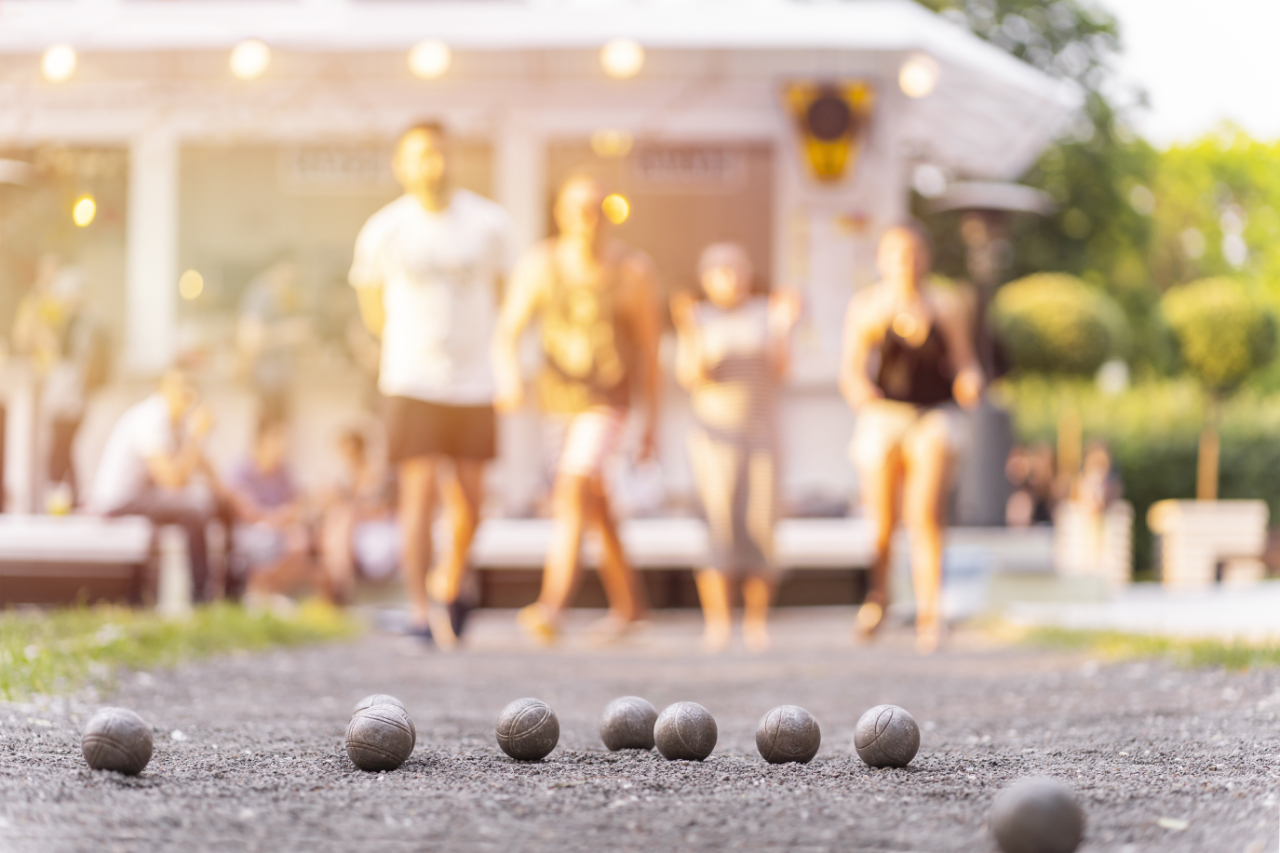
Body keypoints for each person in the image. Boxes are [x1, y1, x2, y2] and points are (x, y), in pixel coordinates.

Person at [349, 121, 515, 648]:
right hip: (411, 378)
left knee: (469, 497)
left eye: (439, 153)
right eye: (420, 155)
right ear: (402, 164)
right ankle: (421, 610)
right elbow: (372, 307)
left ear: (452, 158)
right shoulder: (384, 229)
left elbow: (508, 295)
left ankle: (453, 580)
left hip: (473, 381)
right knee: (417, 494)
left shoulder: (489, 223)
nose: (432, 163)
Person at [494, 174, 661, 645]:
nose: (587, 219)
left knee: (572, 488)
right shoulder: (540, 265)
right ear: (561, 214)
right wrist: (508, 376)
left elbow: (650, 353)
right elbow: (508, 331)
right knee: (595, 502)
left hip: (610, 400)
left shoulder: (632, 272)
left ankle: (552, 606)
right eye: (578, 209)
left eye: (595, 209)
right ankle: (631, 608)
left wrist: (653, 425)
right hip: (557, 403)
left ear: (607, 214)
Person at [840, 224, 983, 654]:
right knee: (882, 523)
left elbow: (963, 362)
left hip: (932, 416)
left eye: (915, 252)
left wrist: (970, 382)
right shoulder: (867, 306)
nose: (907, 261)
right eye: (898, 253)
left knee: (925, 516)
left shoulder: (946, 304)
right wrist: (861, 394)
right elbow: (850, 371)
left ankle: (930, 613)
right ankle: (878, 597)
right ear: (883, 259)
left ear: (926, 257)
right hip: (885, 415)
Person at [671, 243, 800, 653]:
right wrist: (688, 331)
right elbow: (690, 375)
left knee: (761, 524)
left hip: (761, 431)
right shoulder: (699, 317)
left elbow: (782, 369)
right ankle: (719, 624)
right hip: (714, 436)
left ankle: (757, 623)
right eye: (719, 269)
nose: (728, 277)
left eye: (735, 268)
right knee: (718, 524)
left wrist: (784, 327)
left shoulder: (767, 313)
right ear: (706, 278)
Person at [88, 368, 223, 603]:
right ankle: (202, 597)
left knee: (212, 501)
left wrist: (236, 500)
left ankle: (230, 588)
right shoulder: (150, 419)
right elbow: (172, 481)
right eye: (179, 389)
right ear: (162, 389)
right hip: (119, 500)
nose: (185, 396)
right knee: (195, 508)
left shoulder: (176, 424)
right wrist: (195, 437)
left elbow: (205, 472)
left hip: (143, 495)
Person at [223, 417, 326, 605]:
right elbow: (247, 511)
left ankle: (269, 590)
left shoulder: (284, 470)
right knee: (283, 543)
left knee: (301, 542)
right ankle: (259, 589)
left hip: (279, 528)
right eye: (278, 440)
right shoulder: (241, 468)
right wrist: (279, 518)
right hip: (248, 531)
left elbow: (297, 504)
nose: (283, 446)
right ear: (262, 440)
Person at [319, 429, 399, 604]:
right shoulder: (343, 476)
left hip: (375, 521)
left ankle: (341, 582)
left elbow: (382, 506)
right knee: (339, 520)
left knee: (342, 521)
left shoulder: (377, 472)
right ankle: (339, 580)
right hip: (350, 523)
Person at [236, 256, 310, 422]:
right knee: (270, 437)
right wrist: (289, 333)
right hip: (267, 381)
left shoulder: (281, 296)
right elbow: (250, 339)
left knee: (278, 437)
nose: (293, 282)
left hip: (279, 381)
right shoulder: (260, 294)